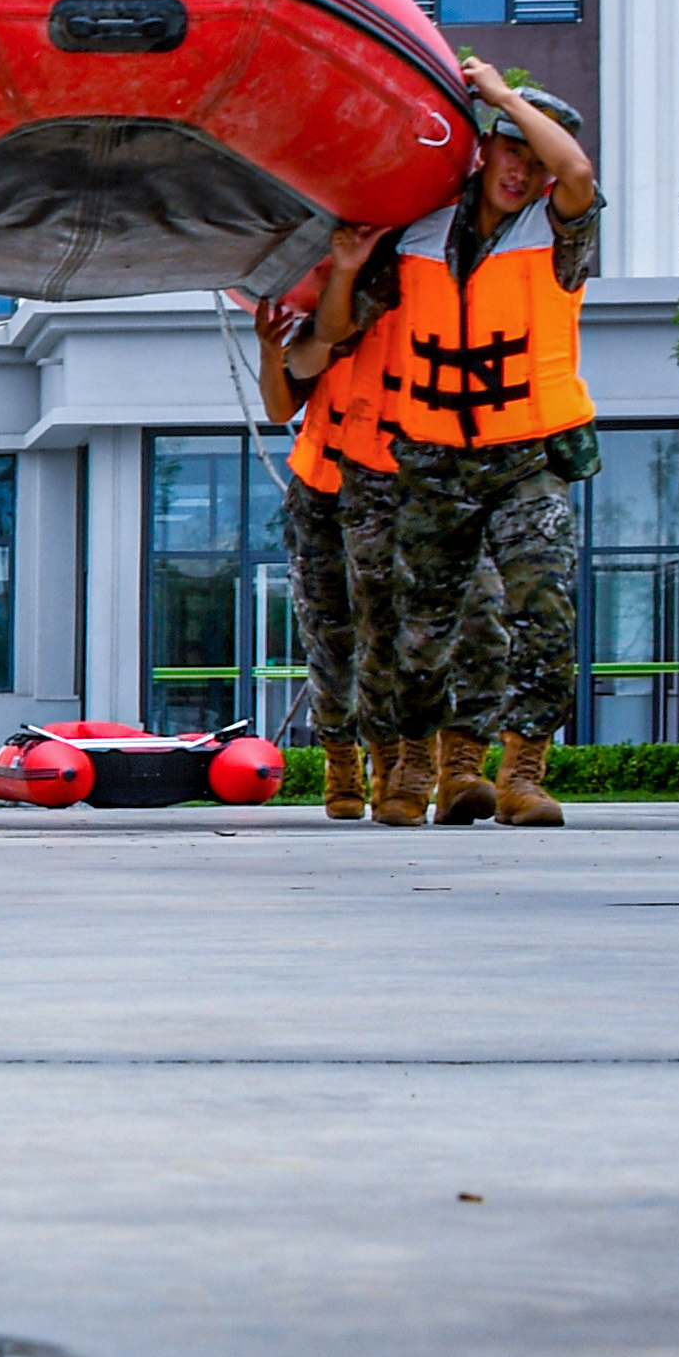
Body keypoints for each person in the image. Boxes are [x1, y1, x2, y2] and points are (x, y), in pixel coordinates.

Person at [352, 61, 604, 828]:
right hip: (434, 459)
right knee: (421, 629)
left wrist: (501, 96)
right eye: (508, 152)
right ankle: (419, 765)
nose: (521, 172)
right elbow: (345, 307)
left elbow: (577, 173)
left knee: (545, 611)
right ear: (484, 152)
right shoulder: (420, 230)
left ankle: (522, 773)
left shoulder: (558, 232)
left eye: (533, 159)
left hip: (528, 457)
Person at [257, 264, 387, 820]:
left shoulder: (411, 326)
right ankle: (341, 763)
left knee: (390, 636)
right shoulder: (326, 328)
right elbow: (281, 407)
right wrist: (270, 351)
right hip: (321, 494)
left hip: (389, 492)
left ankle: (394, 765)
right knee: (329, 638)